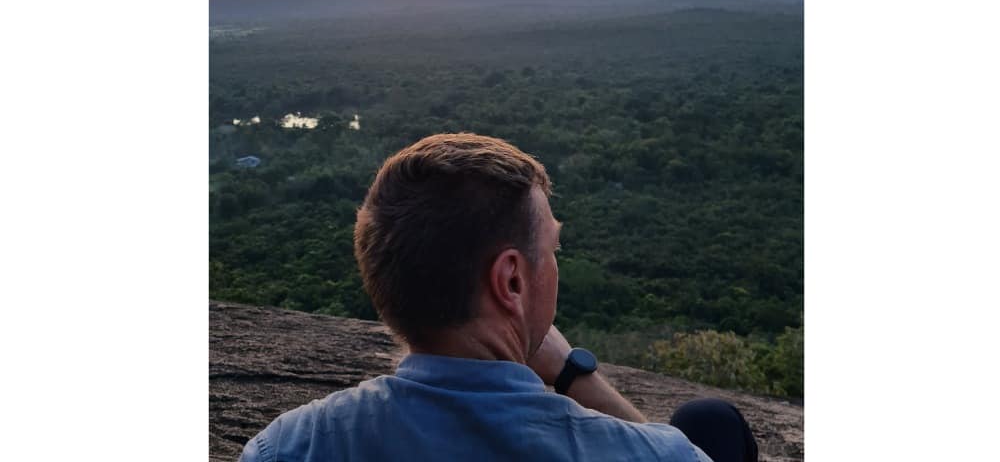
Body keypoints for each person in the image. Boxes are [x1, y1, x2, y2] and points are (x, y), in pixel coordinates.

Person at [239, 133, 758, 462]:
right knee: (710, 423)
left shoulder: (286, 447)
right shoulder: (650, 454)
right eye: (552, 248)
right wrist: (578, 377)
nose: (555, 264)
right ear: (510, 281)